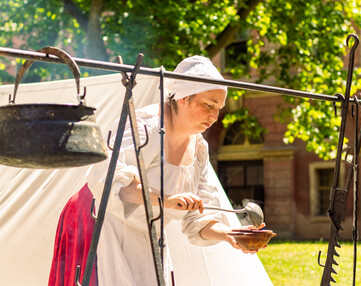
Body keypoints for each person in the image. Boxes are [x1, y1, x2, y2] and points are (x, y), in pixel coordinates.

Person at [48, 55, 265, 286]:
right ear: (182, 98)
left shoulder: (199, 148)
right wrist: (168, 199)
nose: (214, 116)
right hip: (100, 219)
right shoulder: (144, 126)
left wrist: (229, 234)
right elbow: (109, 183)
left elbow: (198, 218)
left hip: (148, 232)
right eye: (208, 105)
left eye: (218, 108)